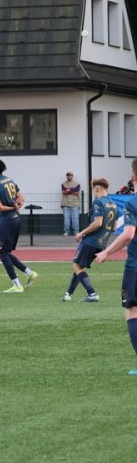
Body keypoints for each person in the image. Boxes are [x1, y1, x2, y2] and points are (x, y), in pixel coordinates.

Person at [95, 159, 137, 374]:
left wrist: (106, 252)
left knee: (132, 310)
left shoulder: (132, 203)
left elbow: (128, 234)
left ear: (133, 177)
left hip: (135, 266)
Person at [0, 158, 38, 292]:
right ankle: (29, 273)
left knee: (2, 253)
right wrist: (19, 203)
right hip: (16, 219)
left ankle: (17, 285)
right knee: (5, 252)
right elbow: (21, 196)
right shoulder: (9, 180)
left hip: (7, 221)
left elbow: (0, 207)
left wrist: (13, 207)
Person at [63, 178, 115, 302]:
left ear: (96, 189)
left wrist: (81, 233)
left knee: (77, 266)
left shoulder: (98, 202)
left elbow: (97, 223)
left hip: (91, 241)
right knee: (80, 266)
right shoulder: (114, 204)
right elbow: (114, 227)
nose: (93, 193)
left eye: (93, 190)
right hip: (102, 242)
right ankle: (68, 294)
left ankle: (92, 293)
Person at [61, 171, 82, 236]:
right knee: (66, 218)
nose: (69, 176)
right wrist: (72, 190)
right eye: (67, 175)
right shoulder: (63, 184)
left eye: (70, 175)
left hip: (75, 203)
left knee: (75, 218)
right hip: (65, 203)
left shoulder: (77, 184)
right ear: (66, 176)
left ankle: (76, 231)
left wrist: (68, 190)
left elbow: (77, 192)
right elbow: (63, 192)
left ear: (72, 176)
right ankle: (66, 231)